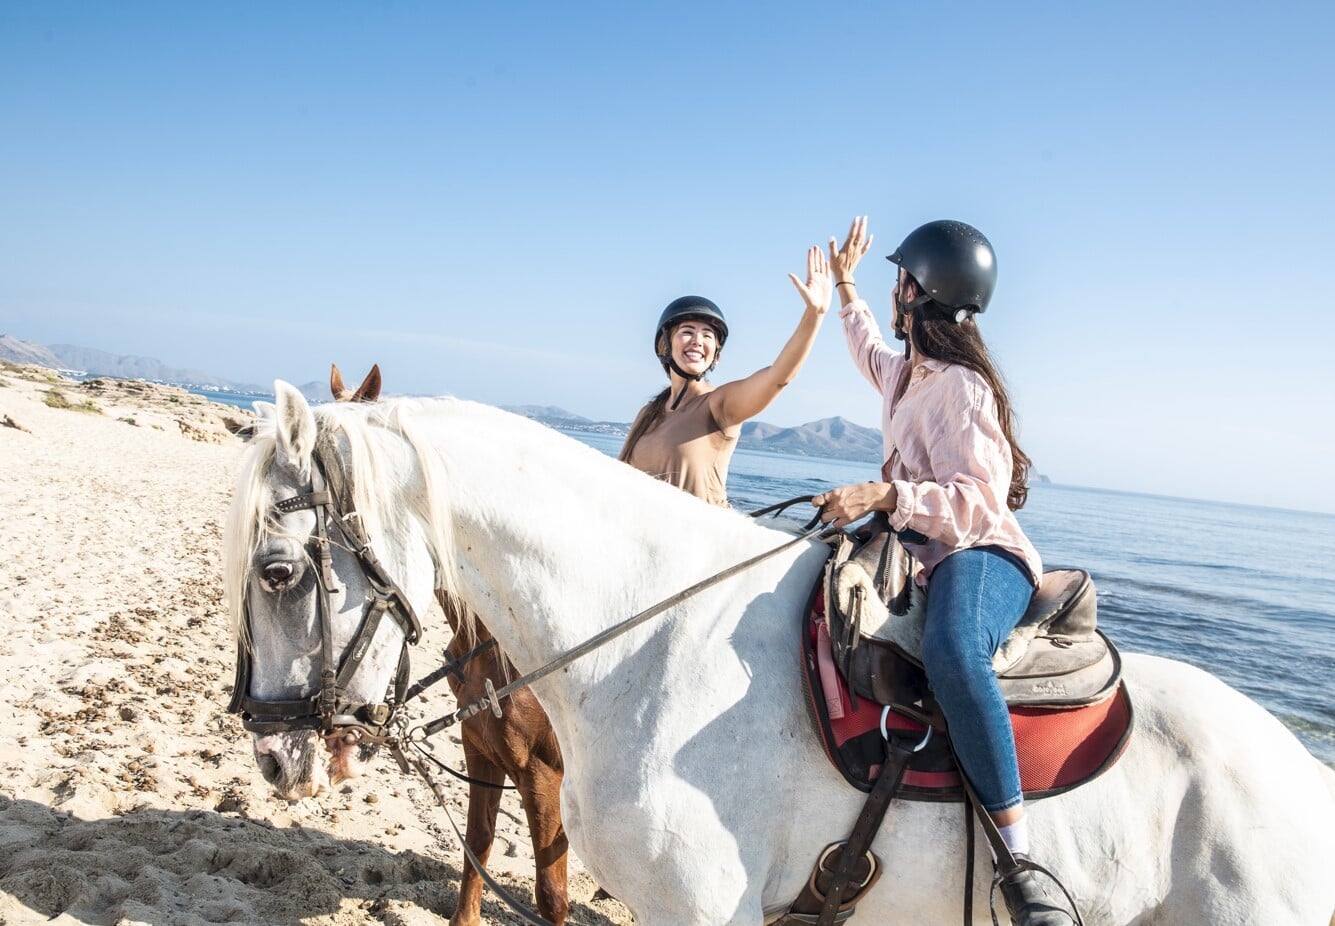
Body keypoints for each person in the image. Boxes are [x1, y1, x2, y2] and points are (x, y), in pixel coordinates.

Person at [812, 217, 1076, 926]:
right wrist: (842, 285)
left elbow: (977, 500)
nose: (888, 293)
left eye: (894, 280)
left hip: (980, 552)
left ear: (918, 290)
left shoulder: (961, 387)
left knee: (954, 653)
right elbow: (864, 345)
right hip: (926, 550)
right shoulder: (905, 377)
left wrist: (885, 494)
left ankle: (1021, 865)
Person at [619, 247, 832, 506]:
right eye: (687, 331)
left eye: (708, 335)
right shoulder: (648, 413)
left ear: (715, 354)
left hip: (702, 541)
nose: (698, 341)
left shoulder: (719, 404)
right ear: (665, 345)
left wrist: (814, 315)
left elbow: (778, 377)